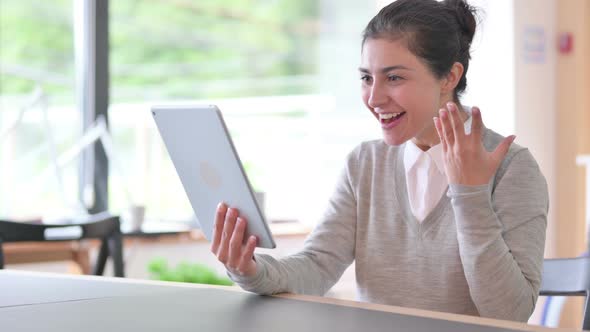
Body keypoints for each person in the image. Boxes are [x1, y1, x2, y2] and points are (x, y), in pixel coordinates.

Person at [210, 0, 548, 322]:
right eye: (367, 78)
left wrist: (470, 194)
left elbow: (510, 313)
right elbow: (317, 266)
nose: (374, 98)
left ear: (449, 77)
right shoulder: (365, 163)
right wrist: (252, 270)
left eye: (395, 78)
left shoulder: (512, 168)